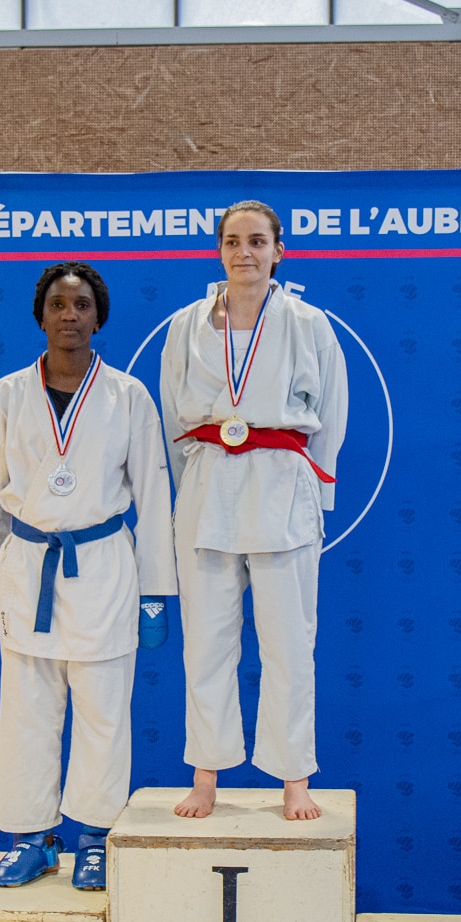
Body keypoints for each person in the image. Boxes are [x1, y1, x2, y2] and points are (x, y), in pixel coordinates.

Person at [0, 262, 177, 890]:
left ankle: (96, 838)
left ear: (98, 317)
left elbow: (154, 492)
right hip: (29, 567)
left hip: (104, 567)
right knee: (28, 712)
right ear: (41, 315)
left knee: (104, 712)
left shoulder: (128, 396)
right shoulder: (6, 395)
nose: (70, 315)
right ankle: (32, 838)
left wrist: (156, 593)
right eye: (58, 304)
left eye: (82, 305)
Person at [161, 201, 347, 822]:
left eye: (258, 241)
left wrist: (316, 494)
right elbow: (173, 416)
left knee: (290, 643)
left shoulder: (309, 324)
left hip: (282, 486)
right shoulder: (186, 326)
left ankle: (295, 778)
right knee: (206, 643)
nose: (245, 252)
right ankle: (205, 773)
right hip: (209, 484)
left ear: (278, 250)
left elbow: (332, 417)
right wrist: (190, 489)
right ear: (219, 250)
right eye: (234, 241)